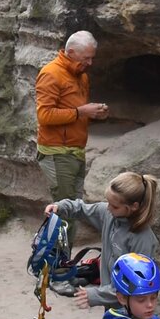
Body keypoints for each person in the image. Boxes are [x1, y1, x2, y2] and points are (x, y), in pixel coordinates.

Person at [43, 171, 160, 310]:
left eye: (114, 206)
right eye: (108, 202)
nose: (108, 208)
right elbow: (82, 209)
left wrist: (95, 295)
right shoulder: (109, 214)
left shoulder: (142, 239)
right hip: (111, 304)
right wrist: (61, 207)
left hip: (134, 311)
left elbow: (134, 285)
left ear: (134, 207)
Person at [35, 31, 108, 201]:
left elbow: (76, 111)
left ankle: (64, 229)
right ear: (72, 53)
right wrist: (81, 112)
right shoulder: (51, 74)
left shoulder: (82, 76)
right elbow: (44, 116)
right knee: (65, 209)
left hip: (76, 150)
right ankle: (56, 229)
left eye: (92, 58)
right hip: (58, 152)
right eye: (86, 58)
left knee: (74, 207)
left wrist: (96, 113)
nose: (90, 63)